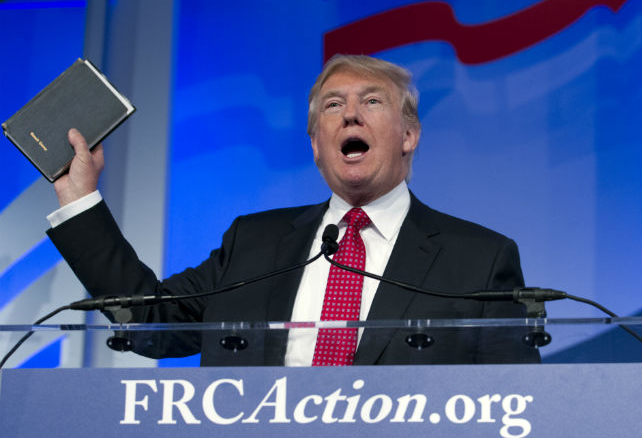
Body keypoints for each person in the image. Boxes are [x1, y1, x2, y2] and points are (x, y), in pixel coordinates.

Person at [46, 55, 540, 366]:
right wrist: (79, 197)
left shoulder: (479, 259)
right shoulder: (253, 242)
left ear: (409, 135)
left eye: (372, 101)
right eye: (333, 105)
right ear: (316, 146)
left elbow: (511, 405)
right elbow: (151, 320)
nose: (350, 114)